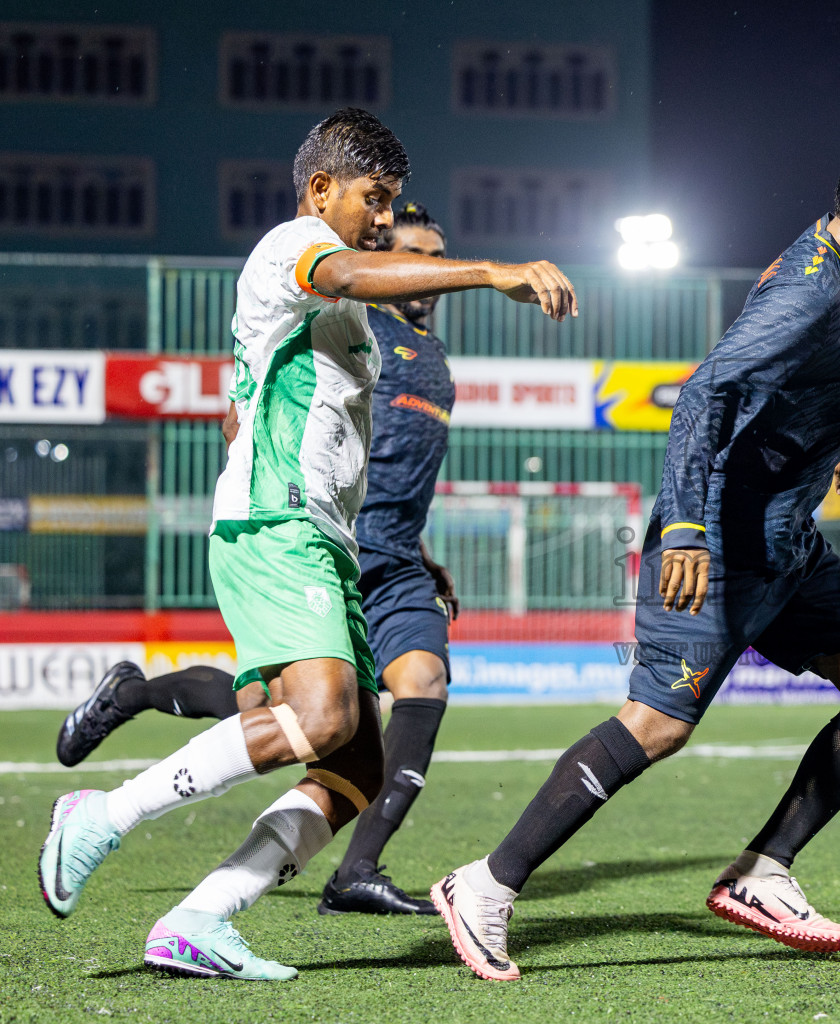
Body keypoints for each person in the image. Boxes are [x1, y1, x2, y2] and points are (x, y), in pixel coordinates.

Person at [39, 107, 578, 981]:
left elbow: (245, 408)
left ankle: (201, 917)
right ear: (321, 189)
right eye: (375, 199)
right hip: (277, 524)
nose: (383, 219)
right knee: (324, 716)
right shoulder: (290, 247)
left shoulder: (335, 311)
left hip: (323, 537)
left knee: (355, 763)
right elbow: (349, 274)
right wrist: (491, 271)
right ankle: (101, 818)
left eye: (392, 203)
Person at [431, 116, 840, 981]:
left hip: (788, 544)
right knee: (656, 725)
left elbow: (815, 372)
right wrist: (683, 525)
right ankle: (485, 884)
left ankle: (761, 872)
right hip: (719, 541)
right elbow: (704, 393)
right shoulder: (810, 288)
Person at [54, 201, 466, 918]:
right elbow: (255, 408)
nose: (426, 273)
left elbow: (368, 457)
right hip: (308, 538)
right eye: (413, 255)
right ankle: (128, 721)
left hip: (389, 557)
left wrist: (420, 552)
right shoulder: (336, 306)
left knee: (403, 701)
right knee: (286, 714)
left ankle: (339, 874)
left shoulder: (420, 352)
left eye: (436, 258)